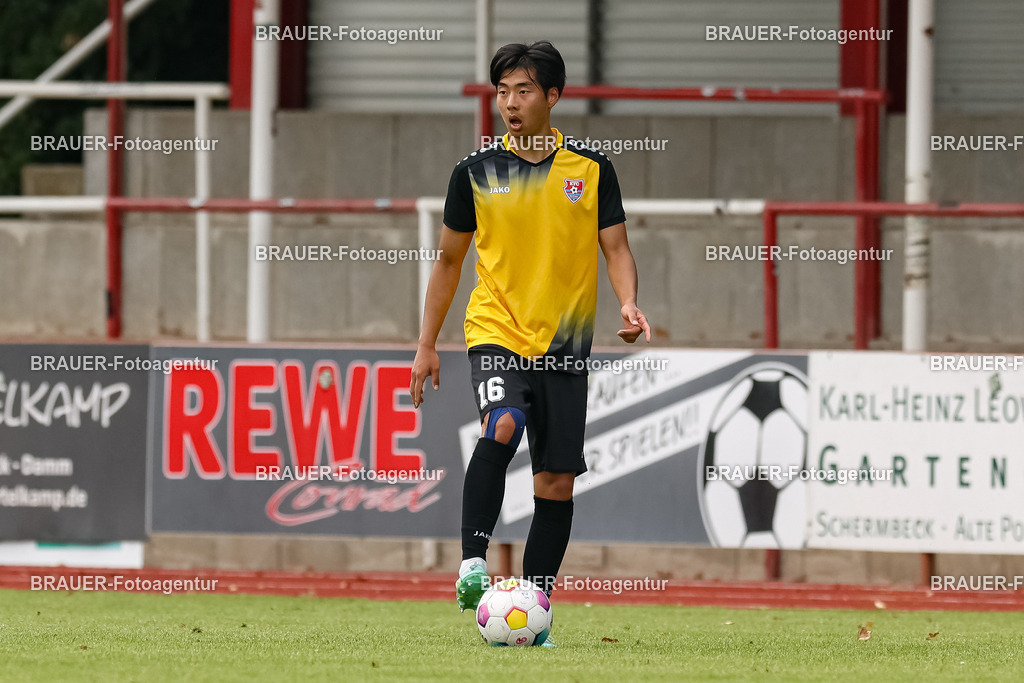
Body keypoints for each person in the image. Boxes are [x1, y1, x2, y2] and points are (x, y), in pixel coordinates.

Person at [409, 40, 651, 618]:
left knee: (557, 484)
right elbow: (447, 262)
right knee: (503, 423)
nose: (510, 103)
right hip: (496, 331)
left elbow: (615, 247)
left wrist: (629, 302)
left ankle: (535, 602)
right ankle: (473, 562)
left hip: (565, 345)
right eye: (502, 92)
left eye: (522, 91)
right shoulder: (474, 172)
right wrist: (425, 345)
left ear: (553, 97)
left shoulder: (591, 171)